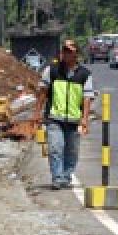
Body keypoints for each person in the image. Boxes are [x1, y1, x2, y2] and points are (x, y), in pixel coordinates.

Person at [37, 39, 94, 189]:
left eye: (69, 51)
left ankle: (66, 176)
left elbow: (87, 98)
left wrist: (84, 119)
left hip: (74, 120)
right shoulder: (52, 71)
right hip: (54, 118)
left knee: (72, 151)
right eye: (64, 51)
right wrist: (37, 113)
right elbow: (42, 93)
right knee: (55, 147)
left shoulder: (85, 74)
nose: (65, 54)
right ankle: (57, 177)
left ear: (76, 54)